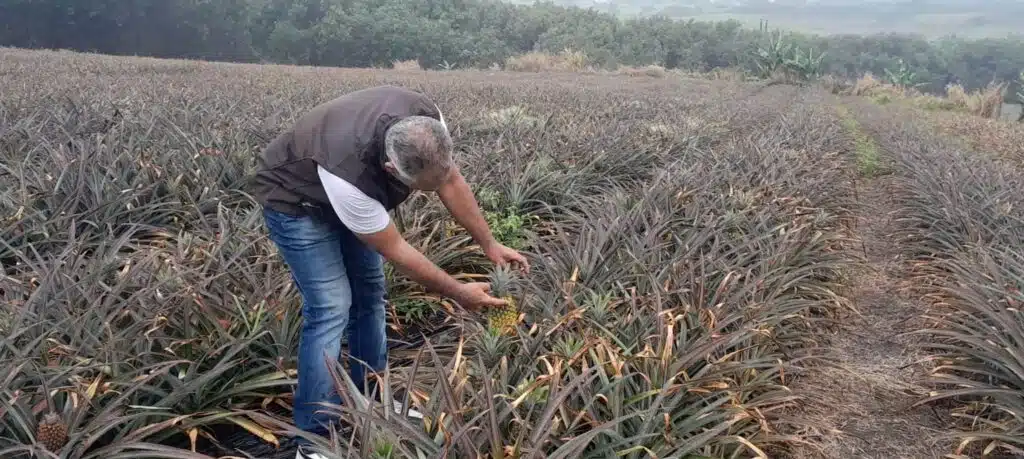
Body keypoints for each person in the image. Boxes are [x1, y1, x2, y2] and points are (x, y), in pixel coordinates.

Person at [251, 85, 529, 459]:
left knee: (369, 295)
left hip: (347, 183)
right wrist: (460, 293)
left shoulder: (425, 120)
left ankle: (372, 400)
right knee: (331, 308)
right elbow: (397, 250)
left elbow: (451, 180)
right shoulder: (350, 177)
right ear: (391, 170)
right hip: (297, 200)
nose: (435, 191)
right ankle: (313, 439)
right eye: (423, 189)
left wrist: (489, 244)